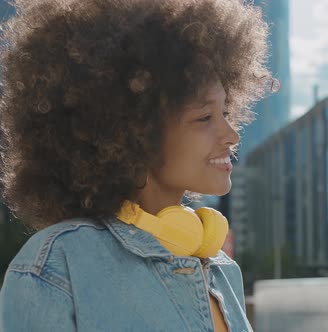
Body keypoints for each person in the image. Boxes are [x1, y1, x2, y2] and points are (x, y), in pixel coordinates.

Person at [0, 0, 274, 330]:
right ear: (135, 133)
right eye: (204, 117)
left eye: (226, 114)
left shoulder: (221, 267)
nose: (232, 135)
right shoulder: (58, 263)